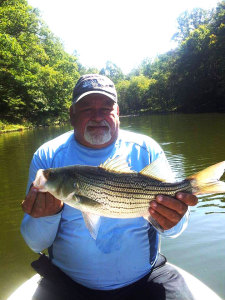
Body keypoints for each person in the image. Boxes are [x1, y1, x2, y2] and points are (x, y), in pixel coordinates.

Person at [21, 74, 198, 300]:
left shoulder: (146, 150)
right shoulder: (47, 157)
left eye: (106, 108)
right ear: (71, 114)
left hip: (145, 278)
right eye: (86, 108)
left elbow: (175, 230)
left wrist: (174, 220)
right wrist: (47, 216)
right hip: (67, 284)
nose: (97, 116)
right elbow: (35, 243)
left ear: (118, 113)